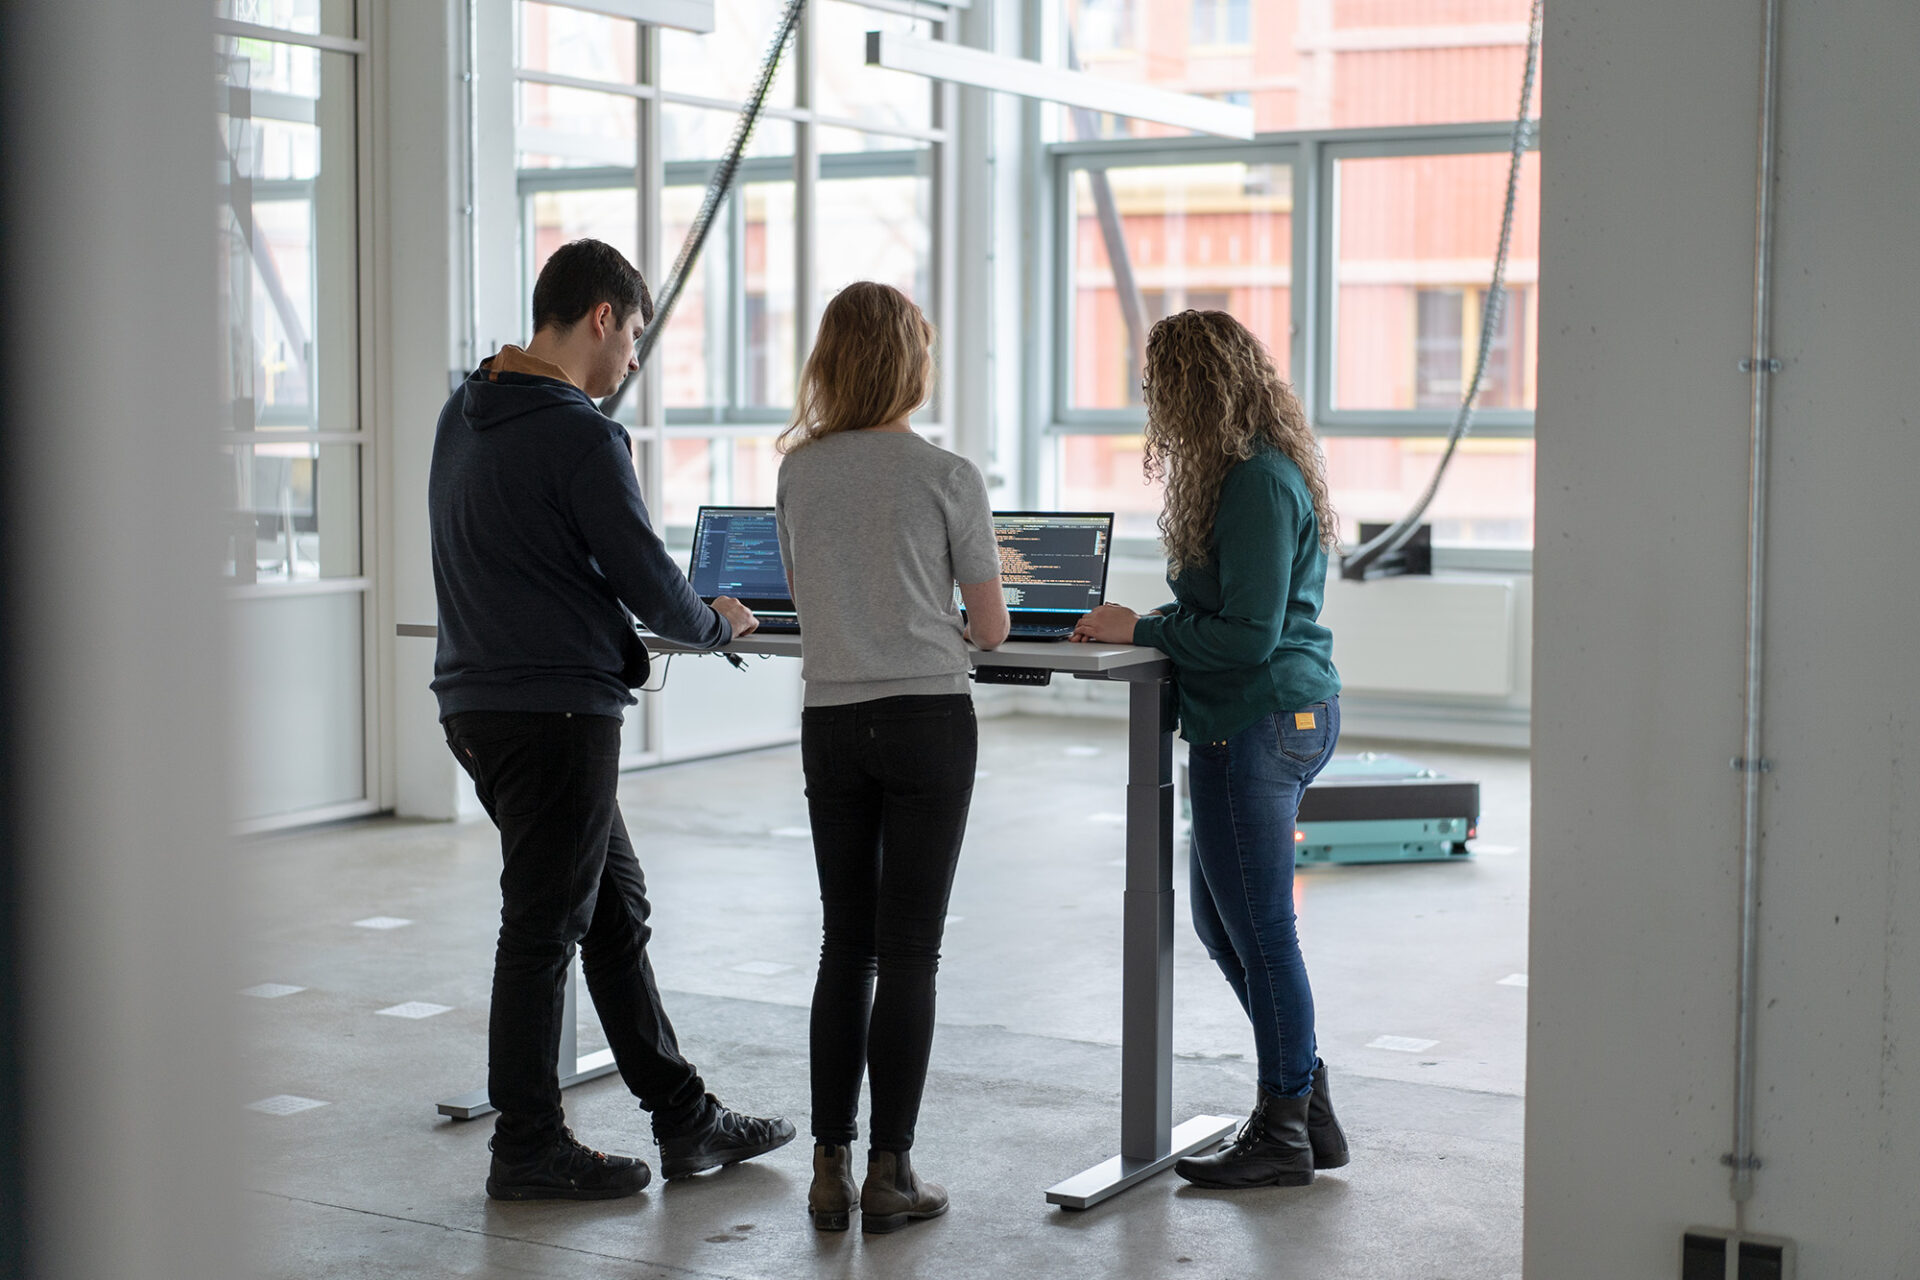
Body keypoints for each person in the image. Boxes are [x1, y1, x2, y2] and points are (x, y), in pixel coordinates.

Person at [429, 238, 794, 1201]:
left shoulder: (463, 414)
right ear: (600, 319)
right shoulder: (582, 434)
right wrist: (713, 623)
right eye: (633, 334)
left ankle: (685, 1120)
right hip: (554, 711)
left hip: (477, 702)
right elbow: (648, 579)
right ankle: (528, 1145)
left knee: (612, 911)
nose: (634, 357)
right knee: (545, 926)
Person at [1070, 309, 1349, 1189]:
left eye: (1159, 386)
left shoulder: (1258, 483)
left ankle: (1283, 1129)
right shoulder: (1234, 474)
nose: (1151, 402)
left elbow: (1249, 637)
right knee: (1221, 925)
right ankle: (1308, 1105)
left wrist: (1143, 624)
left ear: (1197, 388)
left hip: (1261, 719)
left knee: (1261, 935)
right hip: (1254, 720)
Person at [773, 282, 1010, 1233]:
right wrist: (944, 617)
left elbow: (809, 596)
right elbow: (989, 628)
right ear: (915, 362)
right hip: (925, 718)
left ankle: (827, 1170)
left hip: (831, 721)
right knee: (911, 954)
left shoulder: (798, 471)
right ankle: (891, 1176)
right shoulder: (947, 474)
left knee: (846, 945)